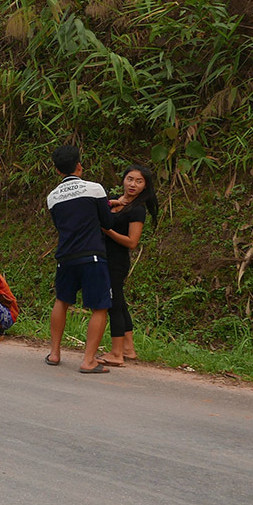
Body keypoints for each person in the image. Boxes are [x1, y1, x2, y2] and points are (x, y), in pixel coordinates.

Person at [46, 145, 115, 374]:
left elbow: (61, 225)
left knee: (62, 300)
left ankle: (55, 353)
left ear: (57, 171)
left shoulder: (52, 197)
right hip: (92, 255)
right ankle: (88, 360)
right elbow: (107, 222)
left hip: (65, 256)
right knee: (100, 306)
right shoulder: (95, 189)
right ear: (79, 165)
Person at [97, 164, 158, 367]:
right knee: (120, 304)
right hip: (105, 260)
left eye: (139, 181)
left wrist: (108, 232)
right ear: (123, 179)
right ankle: (128, 349)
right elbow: (96, 207)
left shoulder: (137, 210)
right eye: (130, 179)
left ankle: (116, 353)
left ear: (145, 186)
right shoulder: (118, 202)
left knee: (113, 305)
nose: (133, 184)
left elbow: (132, 242)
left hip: (116, 262)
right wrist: (113, 201)